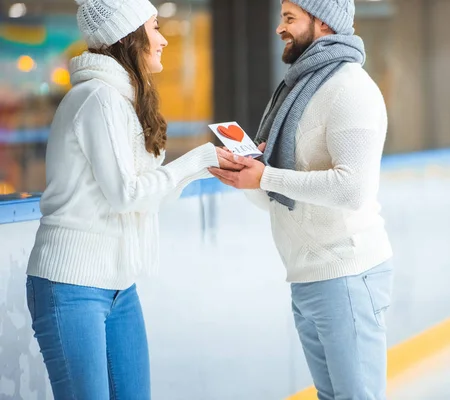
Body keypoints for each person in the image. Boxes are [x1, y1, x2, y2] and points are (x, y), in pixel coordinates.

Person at [25, 0, 235, 398]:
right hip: (70, 285)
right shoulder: (97, 99)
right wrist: (195, 159)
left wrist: (202, 167)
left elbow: (144, 198)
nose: (163, 39)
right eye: (155, 28)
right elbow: (126, 196)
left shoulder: (124, 100)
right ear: (129, 35)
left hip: (119, 284)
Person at [209, 0, 394, 398]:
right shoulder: (299, 90)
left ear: (323, 24)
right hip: (307, 276)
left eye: (290, 18)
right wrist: (251, 178)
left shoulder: (350, 89)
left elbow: (353, 189)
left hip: (346, 273)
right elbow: (284, 196)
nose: (280, 28)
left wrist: (268, 175)